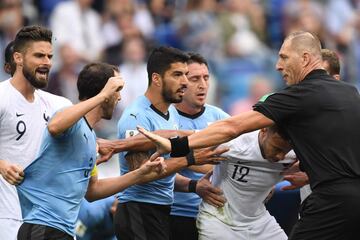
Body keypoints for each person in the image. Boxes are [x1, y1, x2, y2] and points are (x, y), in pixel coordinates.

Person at [138, 31, 360, 240]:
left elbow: (232, 127)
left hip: (330, 201)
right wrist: (310, 172)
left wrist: (175, 147)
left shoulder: (299, 96)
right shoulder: (350, 92)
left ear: (304, 58)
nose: (278, 65)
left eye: (284, 57)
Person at [14, 62, 167, 239]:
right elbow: (54, 126)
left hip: (62, 231)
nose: (119, 97)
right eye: (117, 89)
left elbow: (93, 191)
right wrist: (103, 95)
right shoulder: (70, 118)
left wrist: (140, 174)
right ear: (105, 91)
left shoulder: (91, 139)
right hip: (43, 227)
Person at [114, 46, 227, 240]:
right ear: (156, 79)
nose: (184, 82)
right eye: (177, 75)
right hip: (139, 209)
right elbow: (140, 173)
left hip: (161, 210)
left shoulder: (169, 115)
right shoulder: (136, 116)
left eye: (185, 75)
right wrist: (190, 159)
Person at [0, 25, 72, 240]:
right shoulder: (2, 97)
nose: (47, 62)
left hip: (49, 218)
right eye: (39, 55)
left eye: (50, 56)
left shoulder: (59, 105)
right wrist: (1, 164)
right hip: (7, 215)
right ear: (18, 58)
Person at [196, 125, 295, 240]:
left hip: (260, 222)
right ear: (264, 130)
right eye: (276, 148)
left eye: (286, 151)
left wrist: (305, 175)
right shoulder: (234, 145)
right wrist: (194, 184)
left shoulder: (297, 152)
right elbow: (185, 147)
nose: (281, 156)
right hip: (219, 221)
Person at [170, 52, 229, 240]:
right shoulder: (165, 118)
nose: (202, 85)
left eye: (206, 78)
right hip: (177, 213)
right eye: (195, 79)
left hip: (216, 214)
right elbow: (159, 168)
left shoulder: (220, 117)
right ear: (181, 82)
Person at [283, 47, 342, 202]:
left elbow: (350, 162)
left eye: (321, 76)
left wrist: (310, 177)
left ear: (335, 79)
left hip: (343, 206)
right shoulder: (299, 114)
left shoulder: (349, 114)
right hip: (311, 204)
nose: (312, 83)